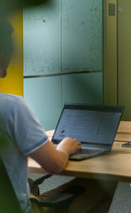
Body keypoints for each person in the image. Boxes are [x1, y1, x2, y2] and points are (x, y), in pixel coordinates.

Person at [0, 19, 116, 212]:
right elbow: (55, 164)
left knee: (28, 182)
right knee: (102, 185)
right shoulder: (12, 107)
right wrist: (64, 147)